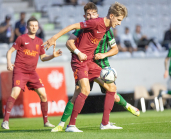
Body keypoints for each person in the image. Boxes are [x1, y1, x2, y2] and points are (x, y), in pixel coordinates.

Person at [51, 2, 139, 132]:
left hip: (94, 63)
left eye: (93, 13)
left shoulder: (107, 30)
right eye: (88, 14)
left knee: (112, 88)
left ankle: (106, 122)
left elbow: (115, 49)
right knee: (80, 92)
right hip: (80, 61)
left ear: (97, 14)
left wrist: (103, 55)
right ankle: (66, 124)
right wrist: (56, 39)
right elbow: (70, 40)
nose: (90, 16)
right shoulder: (87, 26)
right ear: (112, 15)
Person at [1, 17, 63, 129]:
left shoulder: (39, 41)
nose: (34, 27)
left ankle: (46, 121)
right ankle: (5, 121)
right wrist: (9, 63)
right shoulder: (21, 38)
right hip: (20, 71)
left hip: (32, 72)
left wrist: (53, 56)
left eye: (35, 25)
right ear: (27, 27)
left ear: (38, 27)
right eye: (31, 25)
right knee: (15, 93)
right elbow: (10, 51)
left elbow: (43, 58)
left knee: (44, 95)